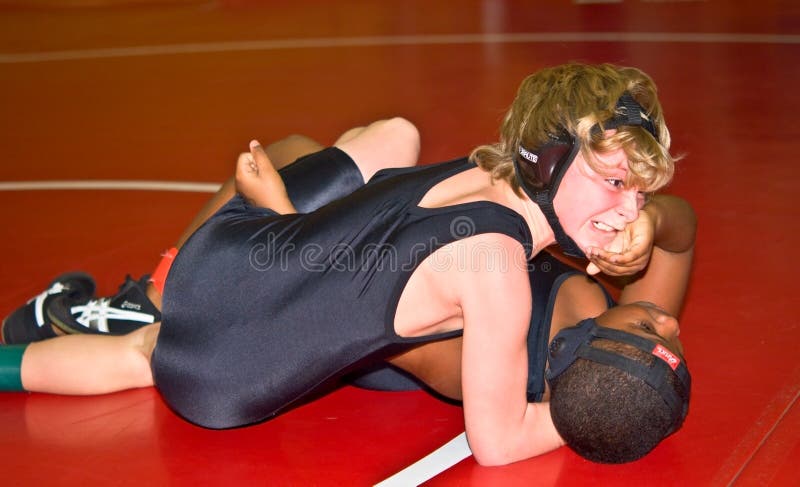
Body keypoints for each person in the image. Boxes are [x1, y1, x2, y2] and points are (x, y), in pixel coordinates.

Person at [0, 63, 689, 465]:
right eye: (617, 183)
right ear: (549, 159)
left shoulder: (482, 172)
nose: (629, 211)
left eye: (640, 192)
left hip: (227, 256)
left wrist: (621, 216)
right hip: (225, 378)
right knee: (144, 355)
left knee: (394, 136)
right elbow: (497, 443)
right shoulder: (499, 274)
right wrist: (595, 416)